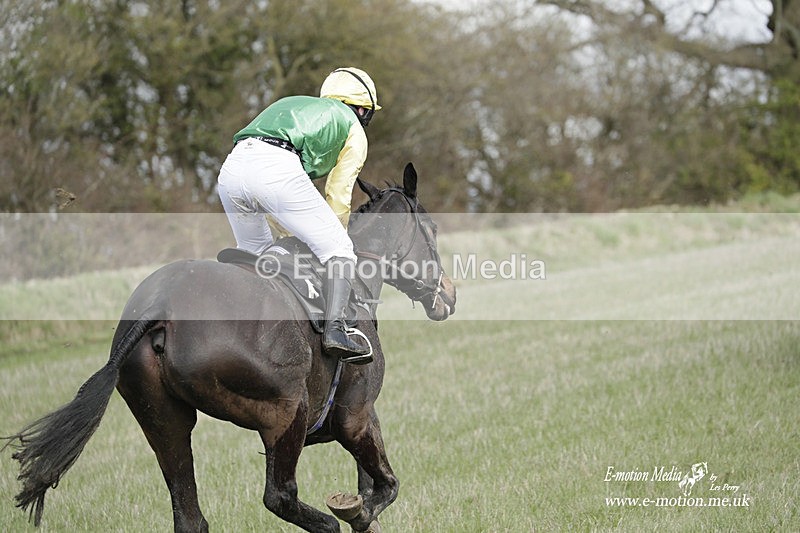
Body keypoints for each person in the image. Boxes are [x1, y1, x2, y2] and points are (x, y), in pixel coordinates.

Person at [216, 67, 381, 364]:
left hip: (231, 169)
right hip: (275, 169)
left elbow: (282, 204)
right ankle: (335, 331)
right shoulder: (352, 126)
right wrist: (335, 234)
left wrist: (292, 236)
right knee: (340, 249)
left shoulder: (294, 104)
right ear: (361, 109)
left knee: (258, 258)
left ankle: (241, 333)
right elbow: (339, 190)